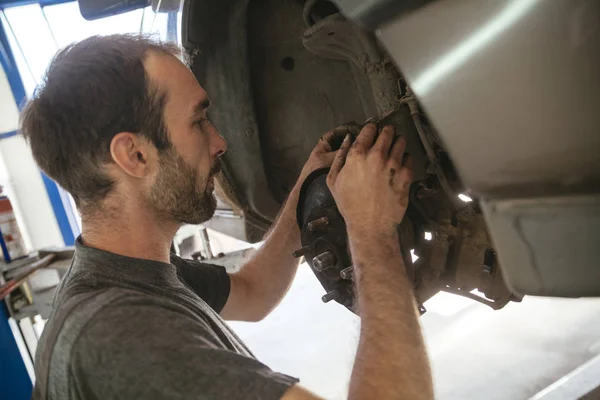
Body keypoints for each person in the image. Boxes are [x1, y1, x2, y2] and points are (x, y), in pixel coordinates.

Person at [21, 34, 433, 400]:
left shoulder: (125, 275)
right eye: (198, 121)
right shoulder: (118, 338)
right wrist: (372, 231)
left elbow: (253, 293)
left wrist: (306, 184)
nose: (219, 141)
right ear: (135, 156)